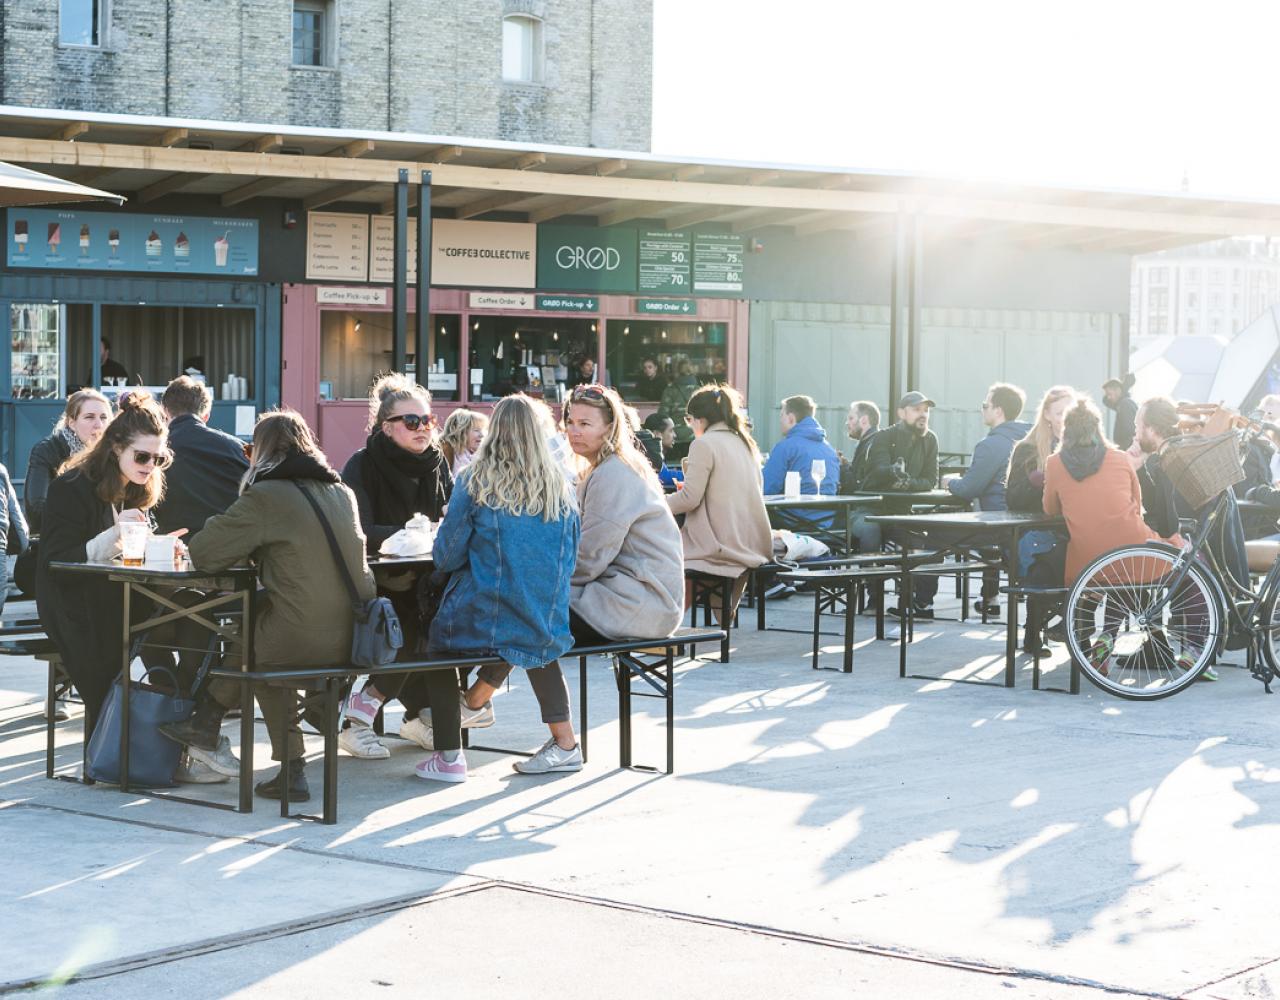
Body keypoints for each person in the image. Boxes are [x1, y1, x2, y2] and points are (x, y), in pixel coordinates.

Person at [460, 384, 684, 775]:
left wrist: (537, 578)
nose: (574, 431)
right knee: (527, 609)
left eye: (585, 423)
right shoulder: (607, 467)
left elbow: (589, 558)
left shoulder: (615, 474)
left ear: (610, 426)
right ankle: (473, 704)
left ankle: (532, 730)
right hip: (622, 594)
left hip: (638, 602)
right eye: (569, 422)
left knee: (531, 617)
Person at [171, 410, 378, 802]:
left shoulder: (268, 496)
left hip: (305, 634)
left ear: (261, 453)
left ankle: (290, 767)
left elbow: (205, 551)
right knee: (253, 633)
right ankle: (207, 722)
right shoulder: (341, 493)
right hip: (355, 632)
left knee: (261, 656)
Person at [416, 394, 581, 782]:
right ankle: (565, 744)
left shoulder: (474, 480)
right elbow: (571, 557)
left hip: (483, 613)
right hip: (545, 614)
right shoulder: (561, 486)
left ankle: (449, 757)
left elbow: (446, 556)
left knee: (435, 647)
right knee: (533, 637)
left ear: (494, 434)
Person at [36, 392, 173, 739]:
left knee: (191, 630)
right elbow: (57, 559)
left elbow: (134, 552)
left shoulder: (138, 487)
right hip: (74, 601)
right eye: (142, 456)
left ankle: (179, 728)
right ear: (115, 448)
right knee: (122, 647)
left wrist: (162, 547)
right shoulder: (72, 486)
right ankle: (116, 750)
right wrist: (116, 534)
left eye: (159, 459)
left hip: (122, 595)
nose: (150, 465)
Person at [339, 373, 452, 759]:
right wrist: (411, 534)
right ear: (386, 428)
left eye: (428, 421)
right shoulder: (362, 465)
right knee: (406, 626)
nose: (423, 429)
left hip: (429, 577)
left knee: (451, 624)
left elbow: (450, 518)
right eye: (411, 422)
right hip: (378, 579)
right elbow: (359, 529)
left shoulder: (437, 463)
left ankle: (420, 714)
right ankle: (358, 716)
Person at [1043, 399, 1178, 675]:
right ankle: (1124, 639)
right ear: (1098, 428)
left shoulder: (1054, 463)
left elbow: (1049, 509)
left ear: (1066, 430)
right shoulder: (1119, 458)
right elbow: (1137, 504)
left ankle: (1097, 640)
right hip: (1133, 549)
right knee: (1166, 557)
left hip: (1087, 561)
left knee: (1105, 571)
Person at [1129, 396, 1246, 682]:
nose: (1134, 432)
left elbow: (1180, 519)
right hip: (1198, 543)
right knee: (1145, 554)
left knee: (1180, 561)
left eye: (1138, 426)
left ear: (1153, 430)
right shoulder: (1170, 457)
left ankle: (1196, 649)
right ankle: (1165, 646)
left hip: (1206, 548)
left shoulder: (1176, 460)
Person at [667, 384, 772, 623]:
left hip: (719, 543)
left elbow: (689, 498)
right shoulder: (745, 443)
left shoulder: (704, 444)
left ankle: (662, 630)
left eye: (689, 419)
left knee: (664, 557)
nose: (689, 425)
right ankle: (721, 617)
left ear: (700, 419)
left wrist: (655, 502)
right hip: (751, 541)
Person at [946, 383, 1032, 615]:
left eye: (985, 406)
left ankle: (920, 603)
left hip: (999, 525)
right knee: (989, 534)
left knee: (933, 535)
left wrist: (948, 482)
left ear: (998, 411)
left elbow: (968, 488)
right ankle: (990, 598)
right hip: (1024, 524)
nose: (982, 410)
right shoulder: (1031, 440)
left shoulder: (990, 445)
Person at [864, 391, 941, 617]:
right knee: (875, 535)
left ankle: (920, 604)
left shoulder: (930, 439)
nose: (923, 415)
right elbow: (878, 471)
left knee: (932, 546)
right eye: (917, 409)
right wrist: (894, 473)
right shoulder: (884, 437)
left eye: (926, 410)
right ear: (901, 412)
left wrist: (907, 483)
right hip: (874, 509)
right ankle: (875, 599)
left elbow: (930, 480)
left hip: (904, 513)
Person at [153, 376, 249, 539]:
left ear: (165, 411)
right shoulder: (238, 449)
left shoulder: (153, 453)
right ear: (206, 416)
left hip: (171, 548)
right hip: (229, 546)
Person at [24, 389, 112, 533]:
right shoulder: (47, 450)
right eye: (89, 417)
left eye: (103, 417)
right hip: (59, 540)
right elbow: (36, 511)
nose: (99, 425)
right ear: (72, 423)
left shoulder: (114, 453)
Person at [761, 395, 840, 523]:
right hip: (826, 523)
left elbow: (766, 488)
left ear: (791, 418)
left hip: (793, 521)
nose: (780, 420)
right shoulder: (829, 450)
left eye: (782, 415)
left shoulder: (785, 447)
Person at [438, 408, 489, 479]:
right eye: (476, 430)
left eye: (483, 430)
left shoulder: (482, 454)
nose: (482, 435)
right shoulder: (445, 451)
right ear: (461, 432)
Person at [1102, 374, 1139, 451]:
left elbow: (1130, 432)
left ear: (1118, 390)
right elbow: (1105, 401)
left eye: (1109, 394)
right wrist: (1124, 388)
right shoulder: (1121, 404)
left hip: (1127, 450)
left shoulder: (1125, 405)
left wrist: (1124, 451)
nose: (1108, 397)